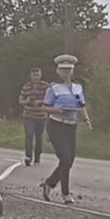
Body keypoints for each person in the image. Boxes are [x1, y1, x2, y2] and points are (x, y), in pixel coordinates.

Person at [39, 54, 93, 205]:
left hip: (71, 125)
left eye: (68, 70)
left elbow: (81, 106)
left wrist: (86, 120)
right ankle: (66, 193)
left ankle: (49, 183)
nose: (66, 73)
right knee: (65, 157)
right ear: (58, 71)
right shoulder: (53, 88)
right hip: (56, 124)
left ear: (72, 71)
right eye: (63, 70)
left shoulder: (77, 88)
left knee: (70, 160)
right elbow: (45, 107)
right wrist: (58, 110)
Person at [18, 67, 49, 167]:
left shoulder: (45, 86)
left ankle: (37, 157)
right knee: (29, 135)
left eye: (38, 75)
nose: (36, 77)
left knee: (39, 137)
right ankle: (28, 156)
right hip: (28, 115)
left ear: (41, 75)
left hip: (41, 115)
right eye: (34, 75)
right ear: (31, 76)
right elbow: (20, 100)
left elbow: (50, 99)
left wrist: (41, 102)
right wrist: (26, 101)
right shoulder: (26, 86)